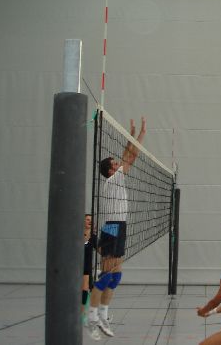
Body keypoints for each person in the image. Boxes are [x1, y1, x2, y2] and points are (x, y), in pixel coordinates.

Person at [86, 117, 146, 340]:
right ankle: (91, 319)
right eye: (115, 163)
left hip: (118, 227)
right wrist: (140, 134)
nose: (118, 163)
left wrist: (131, 135)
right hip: (112, 228)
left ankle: (103, 314)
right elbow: (132, 156)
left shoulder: (116, 178)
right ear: (111, 170)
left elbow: (127, 155)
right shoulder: (114, 180)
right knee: (105, 277)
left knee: (116, 276)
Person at [82, 214, 97, 324]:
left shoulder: (94, 237)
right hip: (74, 265)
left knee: (85, 289)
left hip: (86, 267)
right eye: (87, 219)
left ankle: (83, 314)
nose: (89, 221)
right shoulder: (77, 234)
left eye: (91, 220)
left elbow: (101, 250)